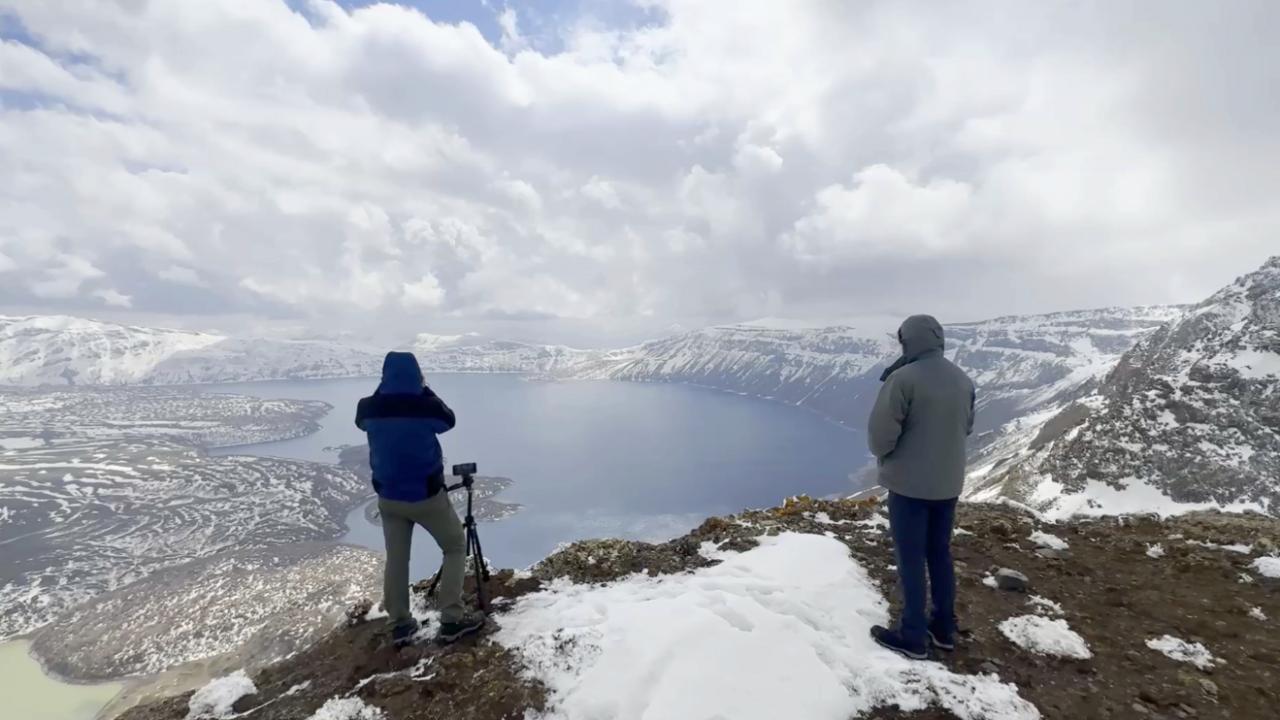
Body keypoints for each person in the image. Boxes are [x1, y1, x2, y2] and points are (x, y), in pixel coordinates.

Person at [355, 351, 485, 647]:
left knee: (397, 559)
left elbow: (362, 422)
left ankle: (400, 624)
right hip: (426, 496)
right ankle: (451, 619)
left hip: (388, 497)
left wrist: (384, 390)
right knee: (454, 546)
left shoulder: (369, 408)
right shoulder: (425, 406)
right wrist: (423, 389)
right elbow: (447, 419)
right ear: (417, 376)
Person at [867, 315, 976, 660]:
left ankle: (912, 635)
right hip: (948, 484)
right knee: (939, 553)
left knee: (911, 558)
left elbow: (880, 438)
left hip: (909, 487)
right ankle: (943, 628)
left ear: (908, 341)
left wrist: (890, 458)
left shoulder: (903, 379)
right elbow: (967, 427)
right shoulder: (962, 380)